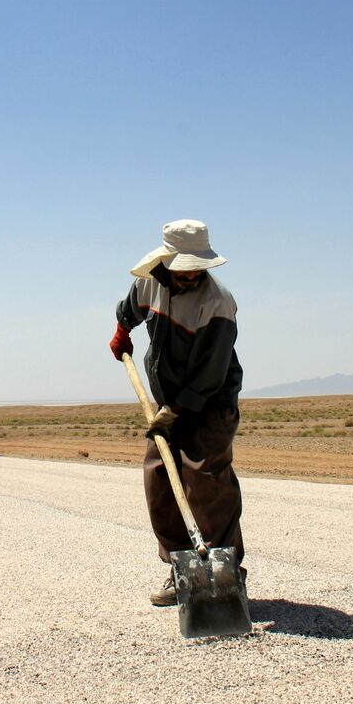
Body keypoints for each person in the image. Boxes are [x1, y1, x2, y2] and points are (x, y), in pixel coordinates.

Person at [110, 219, 245, 607]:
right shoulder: (150, 281)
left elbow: (211, 371)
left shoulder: (217, 302)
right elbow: (130, 309)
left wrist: (176, 410)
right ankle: (182, 569)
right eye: (183, 267)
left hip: (209, 402)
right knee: (159, 479)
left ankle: (226, 573)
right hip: (167, 402)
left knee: (205, 482)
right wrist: (122, 329)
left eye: (196, 267)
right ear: (167, 260)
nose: (190, 274)